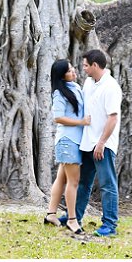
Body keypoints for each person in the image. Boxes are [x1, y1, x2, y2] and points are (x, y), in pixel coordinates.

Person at [72, 47, 123, 240]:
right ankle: (74, 217)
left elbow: (112, 118)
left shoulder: (111, 87)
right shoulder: (89, 83)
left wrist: (101, 143)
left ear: (95, 65)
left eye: (86, 65)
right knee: (83, 183)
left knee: (107, 184)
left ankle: (110, 225)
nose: (83, 68)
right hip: (87, 142)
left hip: (103, 145)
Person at [43, 58, 88, 238]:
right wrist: (81, 122)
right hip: (68, 141)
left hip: (75, 141)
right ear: (62, 76)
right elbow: (58, 118)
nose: (74, 71)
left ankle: (51, 214)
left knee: (61, 180)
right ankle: (71, 219)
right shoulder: (59, 94)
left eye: (73, 68)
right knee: (73, 182)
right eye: (69, 71)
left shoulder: (75, 87)